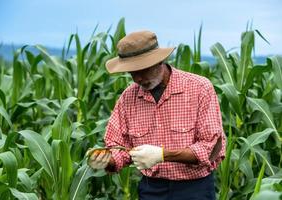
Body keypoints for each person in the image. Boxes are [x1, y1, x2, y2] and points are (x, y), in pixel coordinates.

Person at [87, 30, 226, 200]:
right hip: (151, 190)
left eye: (142, 70)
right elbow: (118, 146)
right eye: (132, 72)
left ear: (160, 61)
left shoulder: (199, 89)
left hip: (194, 189)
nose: (137, 78)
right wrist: (106, 159)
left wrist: (162, 155)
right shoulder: (128, 98)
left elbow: (211, 148)